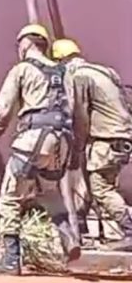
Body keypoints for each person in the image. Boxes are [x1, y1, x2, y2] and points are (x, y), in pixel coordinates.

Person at [0, 23, 80, 275]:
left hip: (33, 140)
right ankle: (69, 237)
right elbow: (75, 112)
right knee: (49, 193)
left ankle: (11, 260)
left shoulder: (22, 70)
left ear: (25, 43)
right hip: (62, 143)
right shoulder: (65, 72)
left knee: (10, 197)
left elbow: (2, 113)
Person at [52, 38, 132, 251]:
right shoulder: (105, 71)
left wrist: (77, 148)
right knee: (99, 186)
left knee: (101, 189)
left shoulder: (79, 76)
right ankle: (86, 229)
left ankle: (130, 231)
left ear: (62, 62)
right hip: (122, 138)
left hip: (106, 141)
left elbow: (81, 115)